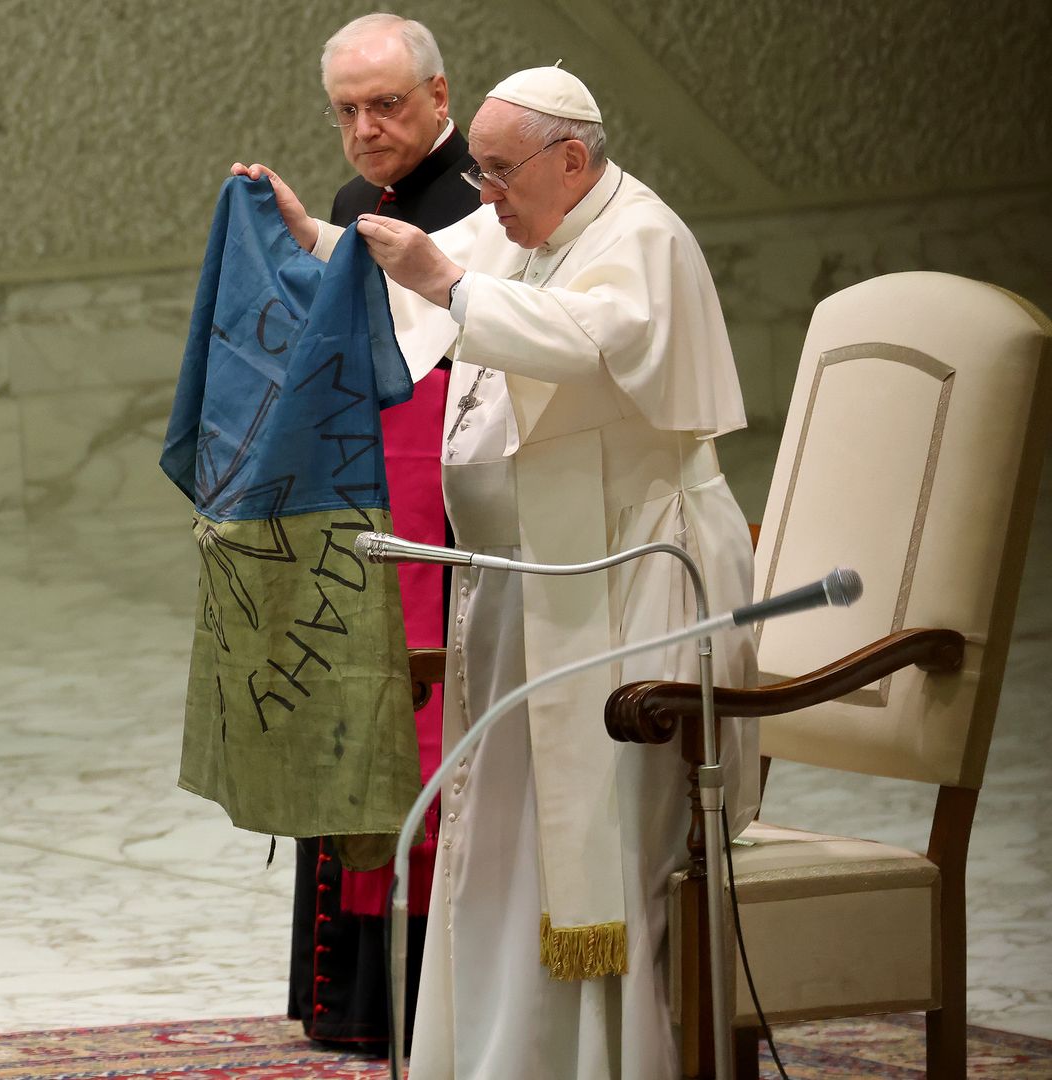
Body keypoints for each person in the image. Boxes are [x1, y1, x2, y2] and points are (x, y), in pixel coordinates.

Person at [307, 66, 758, 1077]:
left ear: (571, 158)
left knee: (600, 851)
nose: (485, 194)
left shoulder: (643, 238)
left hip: (634, 584)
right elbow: (433, 263)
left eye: (500, 173)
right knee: (502, 846)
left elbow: (588, 339)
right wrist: (311, 238)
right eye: (480, 172)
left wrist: (451, 285)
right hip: (536, 586)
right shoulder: (534, 224)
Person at [233, 12, 476, 1054]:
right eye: (347, 112)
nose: (367, 129)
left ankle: (420, 1003)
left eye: (386, 105)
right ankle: (349, 999)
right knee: (349, 729)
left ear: (439, 96)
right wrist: (300, 241)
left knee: (418, 738)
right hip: (361, 512)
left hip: (448, 523)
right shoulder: (350, 202)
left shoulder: (483, 199)